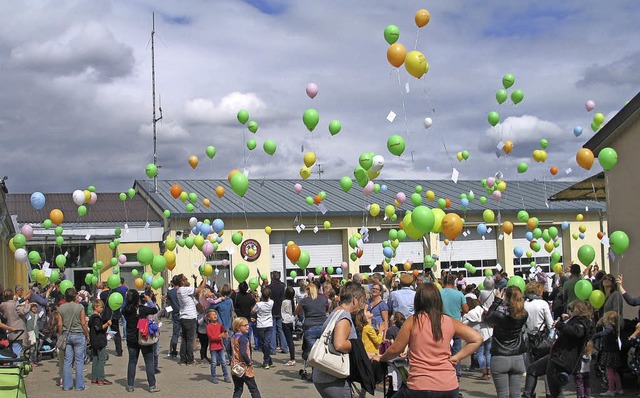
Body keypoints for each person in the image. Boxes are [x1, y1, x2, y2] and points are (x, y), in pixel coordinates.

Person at [374, 283, 482, 397]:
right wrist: (457, 357)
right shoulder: (448, 321)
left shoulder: (413, 321)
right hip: (448, 385)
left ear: (418, 301)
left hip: (420, 385)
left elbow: (396, 349)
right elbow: (477, 339)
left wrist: (382, 358)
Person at [522, 300, 595, 398]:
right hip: (557, 356)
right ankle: (527, 395)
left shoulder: (581, 323)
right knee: (532, 369)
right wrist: (567, 321)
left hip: (561, 360)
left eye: (571, 310)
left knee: (556, 392)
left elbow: (576, 332)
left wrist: (559, 325)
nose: (570, 312)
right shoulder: (577, 321)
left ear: (577, 311)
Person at [313, 282, 366, 398]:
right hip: (333, 376)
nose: (362, 305)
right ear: (355, 300)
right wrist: (357, 345)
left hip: (324, 373)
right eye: (362, 301)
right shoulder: (344, 316)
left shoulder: (336, 312)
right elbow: (339, 344)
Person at [484, 286, 528, 398]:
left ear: (506, 297)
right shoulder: (523, 315)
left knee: (502, 394)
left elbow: (488, 318)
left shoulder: (499, 315)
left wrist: (497, 301)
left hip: (500, 356)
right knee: (516, 394)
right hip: (517, 356)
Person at [122, 289, 160, 393]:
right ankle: (152, 385)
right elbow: (155, 310)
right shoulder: (142, 309)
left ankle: (130, 385)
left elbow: (126, 309)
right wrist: (149, 300)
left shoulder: (125, 309)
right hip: (143, 337)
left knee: (132, 361)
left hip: (131, 338)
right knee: (149, 361)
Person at [58, 288, 89, 391]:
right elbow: (83, 323)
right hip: (79, 334)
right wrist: (87, 335)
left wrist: (61, 334)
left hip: (67, 335)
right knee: (79, 361)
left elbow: (59, 324)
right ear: (75, 296)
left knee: (67, 361)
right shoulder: (80, 307)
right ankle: (80, 386)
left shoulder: (61, 308)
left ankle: (67, 385)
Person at [440, 274, 469, 380]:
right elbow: (466, 309)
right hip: (456, 324)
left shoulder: (439, 293)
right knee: (457, 349)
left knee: (443, 349)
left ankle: (444, 372)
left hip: (442, 324)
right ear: (454, 282)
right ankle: (456, 373)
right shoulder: (459, 294)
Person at [176, 274, 206, 366]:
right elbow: (200, 290)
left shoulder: (179, 290)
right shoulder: (184, 289)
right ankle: (190, 360)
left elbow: (196, 289)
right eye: (185, 279)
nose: (187, 280)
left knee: (184, 339)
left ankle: (182, 359)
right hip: (190, 317)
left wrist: (199, 282)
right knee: (190, 339)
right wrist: (204, 279)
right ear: (182, 282)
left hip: (184, 316)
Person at [295, 283, 329, 362]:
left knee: (313, 354)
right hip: (323, 326)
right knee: (322, 352)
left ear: (308, 291)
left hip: (310, 328)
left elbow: (296, 312)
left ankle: (315, 371)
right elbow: (326, 309)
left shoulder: (304, 301)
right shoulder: (324, 298)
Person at [592, 310, 623, 396]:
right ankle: (619, 389)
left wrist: (594, 336)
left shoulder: (609, 328)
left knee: (609, 371)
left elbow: (603, 333)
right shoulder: (615, 328)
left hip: (609, 352)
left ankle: (611, 389)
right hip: (614, 352)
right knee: (614, 372)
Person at [462, 297, 493, 380]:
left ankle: (484, 371)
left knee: (479, 353)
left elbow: (463, 324)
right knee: (488, 353)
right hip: (489, 333)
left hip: (478, 335)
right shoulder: (484, 309)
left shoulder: (469, 314)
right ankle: (489, 370)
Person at [230, 317, 262, 398]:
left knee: (238, 389)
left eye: (247, 324)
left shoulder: (233, 337)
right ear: (238, 327)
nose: (247, 327)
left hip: (235, 366)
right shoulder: (243, 338)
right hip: (244, 367)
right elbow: (244, 353)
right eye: (244, 325)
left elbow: (229, 350)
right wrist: (249, 362)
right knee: (253, 389)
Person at [523, 281, 553, 363]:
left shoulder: (524, 304)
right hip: (541, 337)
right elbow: (550, 324)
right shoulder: (543, 304)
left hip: (527, 337)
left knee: (529, 363)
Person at [88, 299, 112, 385]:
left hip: (94, 340)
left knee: (95, 358)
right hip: (99, 341)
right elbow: (98, 328)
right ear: (95, 307)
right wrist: (107, 324)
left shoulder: (92, 317)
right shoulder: (96, 318)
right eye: (101, 307)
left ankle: (94, 377)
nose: (102, 309)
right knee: (102, 359)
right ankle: (101, 378)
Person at [0, 289, 29, 358]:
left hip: (8, 329)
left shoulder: (2, 305)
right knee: (17, 348)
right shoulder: (14, 304)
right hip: (17, 328)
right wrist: (28, 304)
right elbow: (24, 311)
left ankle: (13, 363)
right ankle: (17, 364)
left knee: (12, 348)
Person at [206, 309, 230, 384]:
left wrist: (226, 332)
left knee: (223, 362)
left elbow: (224, 331)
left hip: (220, 346)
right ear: (209, 318)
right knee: (213, 363)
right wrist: (220, 335)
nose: (215, 316)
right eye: (212, 315)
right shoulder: (208, 327)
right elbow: (212, 338)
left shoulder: (220, 325)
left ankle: (226, 376)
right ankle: (214, 377)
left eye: (215, 314)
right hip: (213, 347)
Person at [267, 272, 288, 356]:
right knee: (281, 330)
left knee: (273, 330)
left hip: (272, 310)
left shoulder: (269, 287)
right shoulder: (282, 286)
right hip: (280, 310)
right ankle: (285, 347)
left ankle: (273, 349)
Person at [99, 286, 123, 357]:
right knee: (116, 333)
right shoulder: (118, 293)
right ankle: (119, 351)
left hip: (106, 315)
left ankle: (101, 349)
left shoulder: (104, 294)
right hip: (114, 316)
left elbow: (101, 299)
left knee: (103, 332)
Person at [254, 287, 274, 369]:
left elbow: (253, 311)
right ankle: (269, 359)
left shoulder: (259, 304)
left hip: (261, 325)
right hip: (268, 324)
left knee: (264, 344)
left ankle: (266, 361)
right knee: (265, 343)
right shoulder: (271, 302)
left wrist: (257, 302)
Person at [166, 278, 181, 359]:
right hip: (183, 312)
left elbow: (169, 303)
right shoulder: (181, 291)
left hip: (175, 313)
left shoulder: (170, 292)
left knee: (175, 333)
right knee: (185, 334)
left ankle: (174, 350)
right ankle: (184, 351)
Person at [281, 287, 296, 366]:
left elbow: (282, 311)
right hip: (291, 321)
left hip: (285, 321)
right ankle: (292, 357)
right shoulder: (293, 301)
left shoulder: (285, 302)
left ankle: (292, 358)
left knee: (289, 341)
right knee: (291, 341)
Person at [25, 302, 42, 367]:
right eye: (33, 307)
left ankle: (35, 360)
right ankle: (31, 361)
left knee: (35, 348)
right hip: (31, 333)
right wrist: (30, 304)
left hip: (36, 333)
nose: (34, 308)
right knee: (32, 348)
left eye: (35, 307)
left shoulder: (37, 315)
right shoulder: (28, 314)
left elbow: (42, 315)